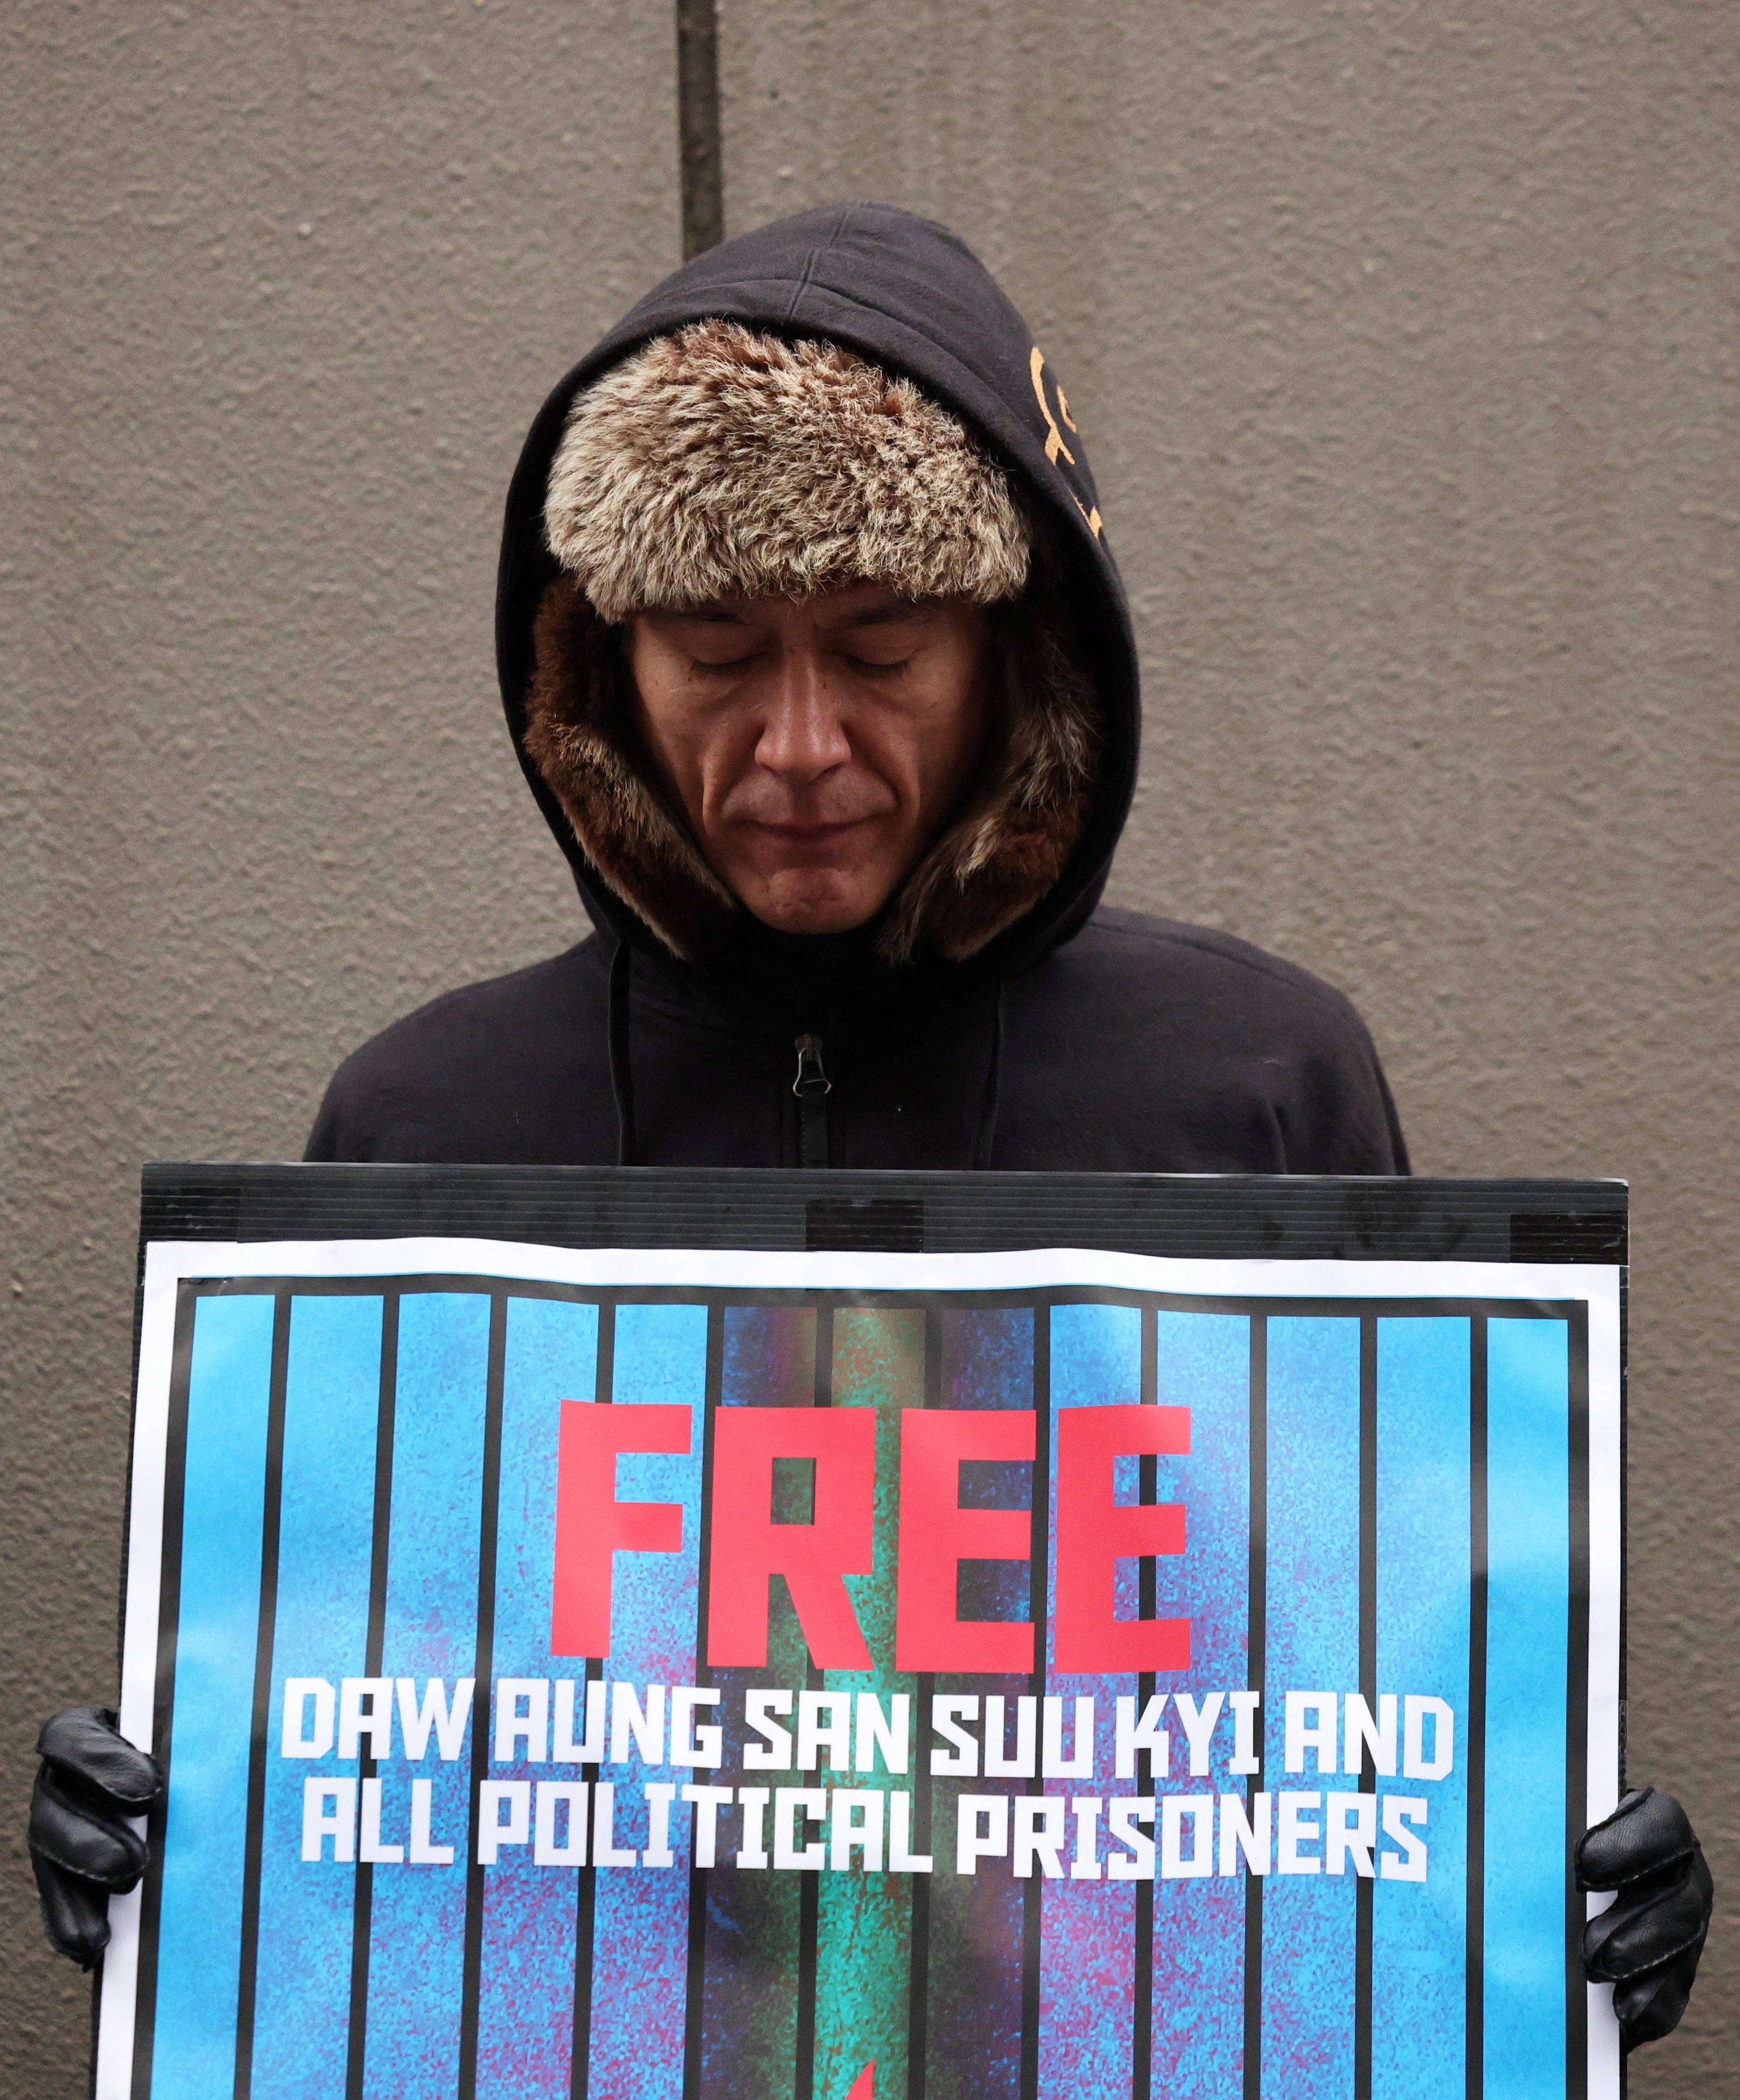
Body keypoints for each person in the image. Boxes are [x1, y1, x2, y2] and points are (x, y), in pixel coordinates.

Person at [29, 203, 1710, 2048]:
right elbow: (384, 1745)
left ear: (1014, 649)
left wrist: (1538, 1899)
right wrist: (187, 1850)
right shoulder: (423, 1119)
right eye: (717, 651)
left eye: (882, 646)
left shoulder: (1259, 1083)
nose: (803, 743)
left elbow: (1344, 1718)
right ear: (600, 667)